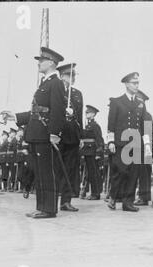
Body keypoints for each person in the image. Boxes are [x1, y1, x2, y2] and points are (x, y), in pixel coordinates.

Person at [1, 47, 67, 219]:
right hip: (37, 133)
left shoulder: (56, 83)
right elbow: (36, 112)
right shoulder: (45, 83)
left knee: (46, 172)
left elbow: (58, 111)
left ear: (51, 62)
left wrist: (54, 133)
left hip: (45, 134)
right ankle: (42, 207)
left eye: (42, 60)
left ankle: (49, 209)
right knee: (39, 172)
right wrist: (14, 116)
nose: (39, 63)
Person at [106, 72, 152, 212]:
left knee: (133, 173)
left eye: (138, 83)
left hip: (136, 143)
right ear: (126, 84)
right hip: (121, 143)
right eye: (134, 83)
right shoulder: (116, 101)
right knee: (120, 171)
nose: (136, 85)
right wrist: (111, 142)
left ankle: (128, 202)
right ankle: (113, 197)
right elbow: (111, 124)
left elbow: (144, 125)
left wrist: (147, 144)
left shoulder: (140, 103)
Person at [57, 63, 83, 212]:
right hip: (58, 135)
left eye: (74, 75)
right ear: (62, 76)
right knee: (56, 168)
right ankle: (51, 200)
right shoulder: (57, 91)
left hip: (72, 136)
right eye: (69, 75)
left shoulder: (77, 94)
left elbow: (80, 118)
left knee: (69, 169)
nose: (72, 78)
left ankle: (66, 201)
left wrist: (81, 137)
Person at [134, 89, 153, 206]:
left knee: (144, 172)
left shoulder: (146, 115)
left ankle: (144, 197)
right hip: (137, 146)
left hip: (145, 147)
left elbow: (147, 133)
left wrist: (147, 149)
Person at [80, 105, 104, 200]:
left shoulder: (95, 126)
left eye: (88, 112)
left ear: (93, 114)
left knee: (94, 173)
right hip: (87, 151)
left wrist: (98, 153)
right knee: (89, 173)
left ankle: (95, 193)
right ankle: (91, 192)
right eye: (86, 112)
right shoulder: (87, 125)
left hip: (93, 152)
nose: (86, 113)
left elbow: (99, 140)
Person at [7, 128, 18, 192]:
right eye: (10, 133)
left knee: (13, 174)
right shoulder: (10, 140)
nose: (10, 134)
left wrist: (15, 161)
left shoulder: (15, 140)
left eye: (11, 133)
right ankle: (11, 186)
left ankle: (14, 186)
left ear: (14, 133)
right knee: (11, 174)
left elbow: (15, 152)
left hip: (13, 160)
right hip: (10, 160)